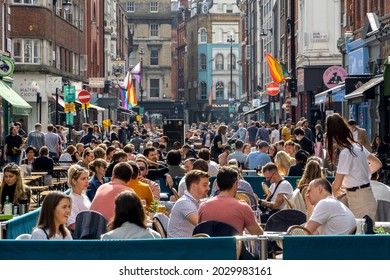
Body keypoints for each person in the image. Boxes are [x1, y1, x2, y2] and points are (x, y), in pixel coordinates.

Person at [326, 113, 382, 222]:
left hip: (358, 198)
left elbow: (337, 184)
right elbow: (377, 164)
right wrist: (362, 176)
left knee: (362, 234)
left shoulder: (346, 153)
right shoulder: (358, 147)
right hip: (366, 194)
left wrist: (325, 198)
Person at [199, 166, 263, 235]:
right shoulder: (243, 207)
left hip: (209, 245)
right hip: (234, 245)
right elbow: (258, 233)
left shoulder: (203, 207)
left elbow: (200, 232)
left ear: (217, 185)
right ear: (235, 184)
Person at [167, 170, 210, 238]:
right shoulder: (184, 203)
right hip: (180, 246)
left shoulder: (196, 201)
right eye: (205, 185)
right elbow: (201, 225)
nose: (208, 188)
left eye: (208, 185)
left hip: (188, 243)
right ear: (193, 186)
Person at [67, 165, 90, 231]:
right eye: (83, 179)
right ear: (74, 181)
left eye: (87, 178)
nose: (87, 181)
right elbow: (71, 225)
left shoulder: (84, 196)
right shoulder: (71, 199)